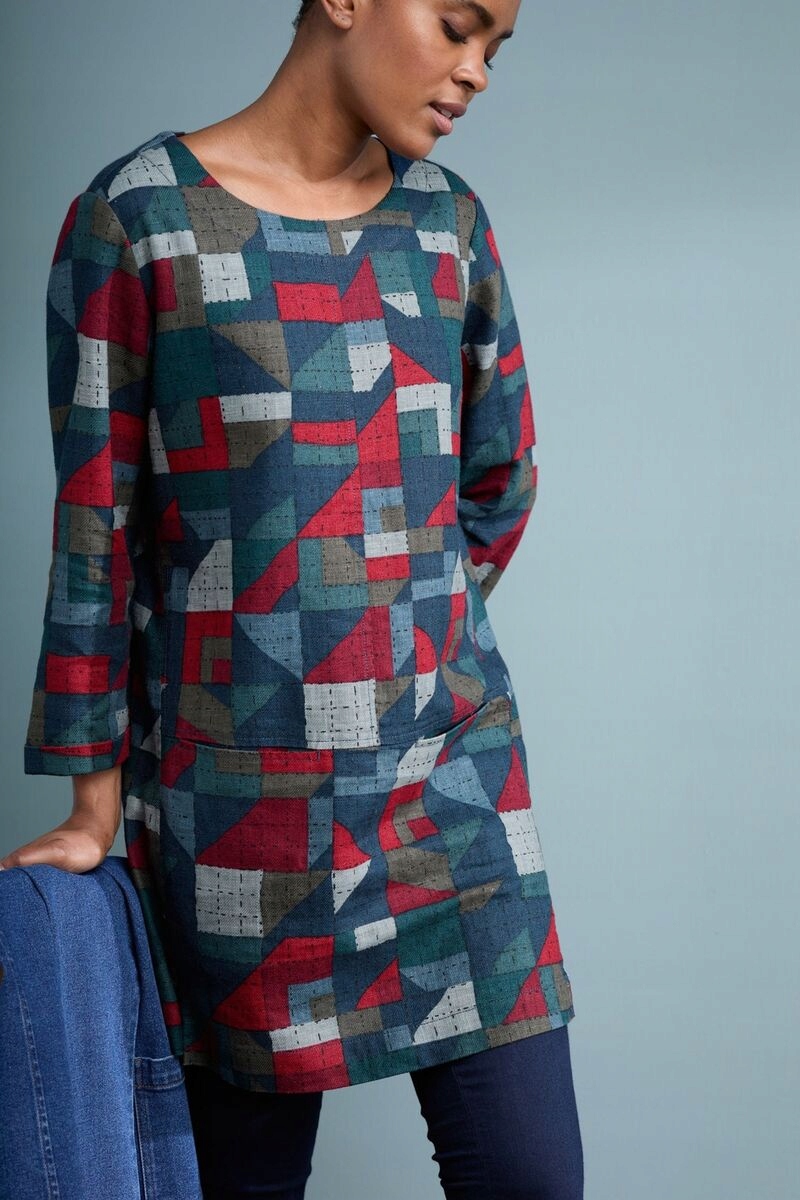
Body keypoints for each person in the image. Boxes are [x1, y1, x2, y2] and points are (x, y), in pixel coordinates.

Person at [3, 0, 584, 1195]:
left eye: (495, 47)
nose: (475, 71)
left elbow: (499, 478)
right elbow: (97, 529)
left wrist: (397, 633)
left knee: (531, 1177)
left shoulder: (448, 226)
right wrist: (93, 801)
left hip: (448, 794)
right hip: (236, 818)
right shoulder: (140, 220)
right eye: (457, 25)